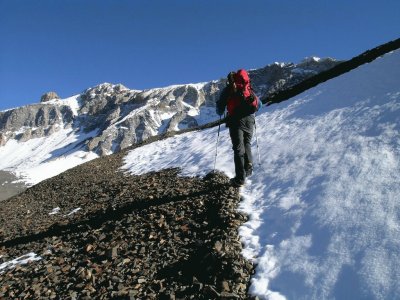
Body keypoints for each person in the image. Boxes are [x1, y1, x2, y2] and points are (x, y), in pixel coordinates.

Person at [216, 69, 261, 187]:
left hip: (236, 120)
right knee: (247, 143)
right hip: (249, 119)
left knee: (238, 148)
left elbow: (219, 109)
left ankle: (240, 179)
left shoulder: (230, 89)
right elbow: (259, 104)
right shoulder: (248, 88)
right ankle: (248, 167)